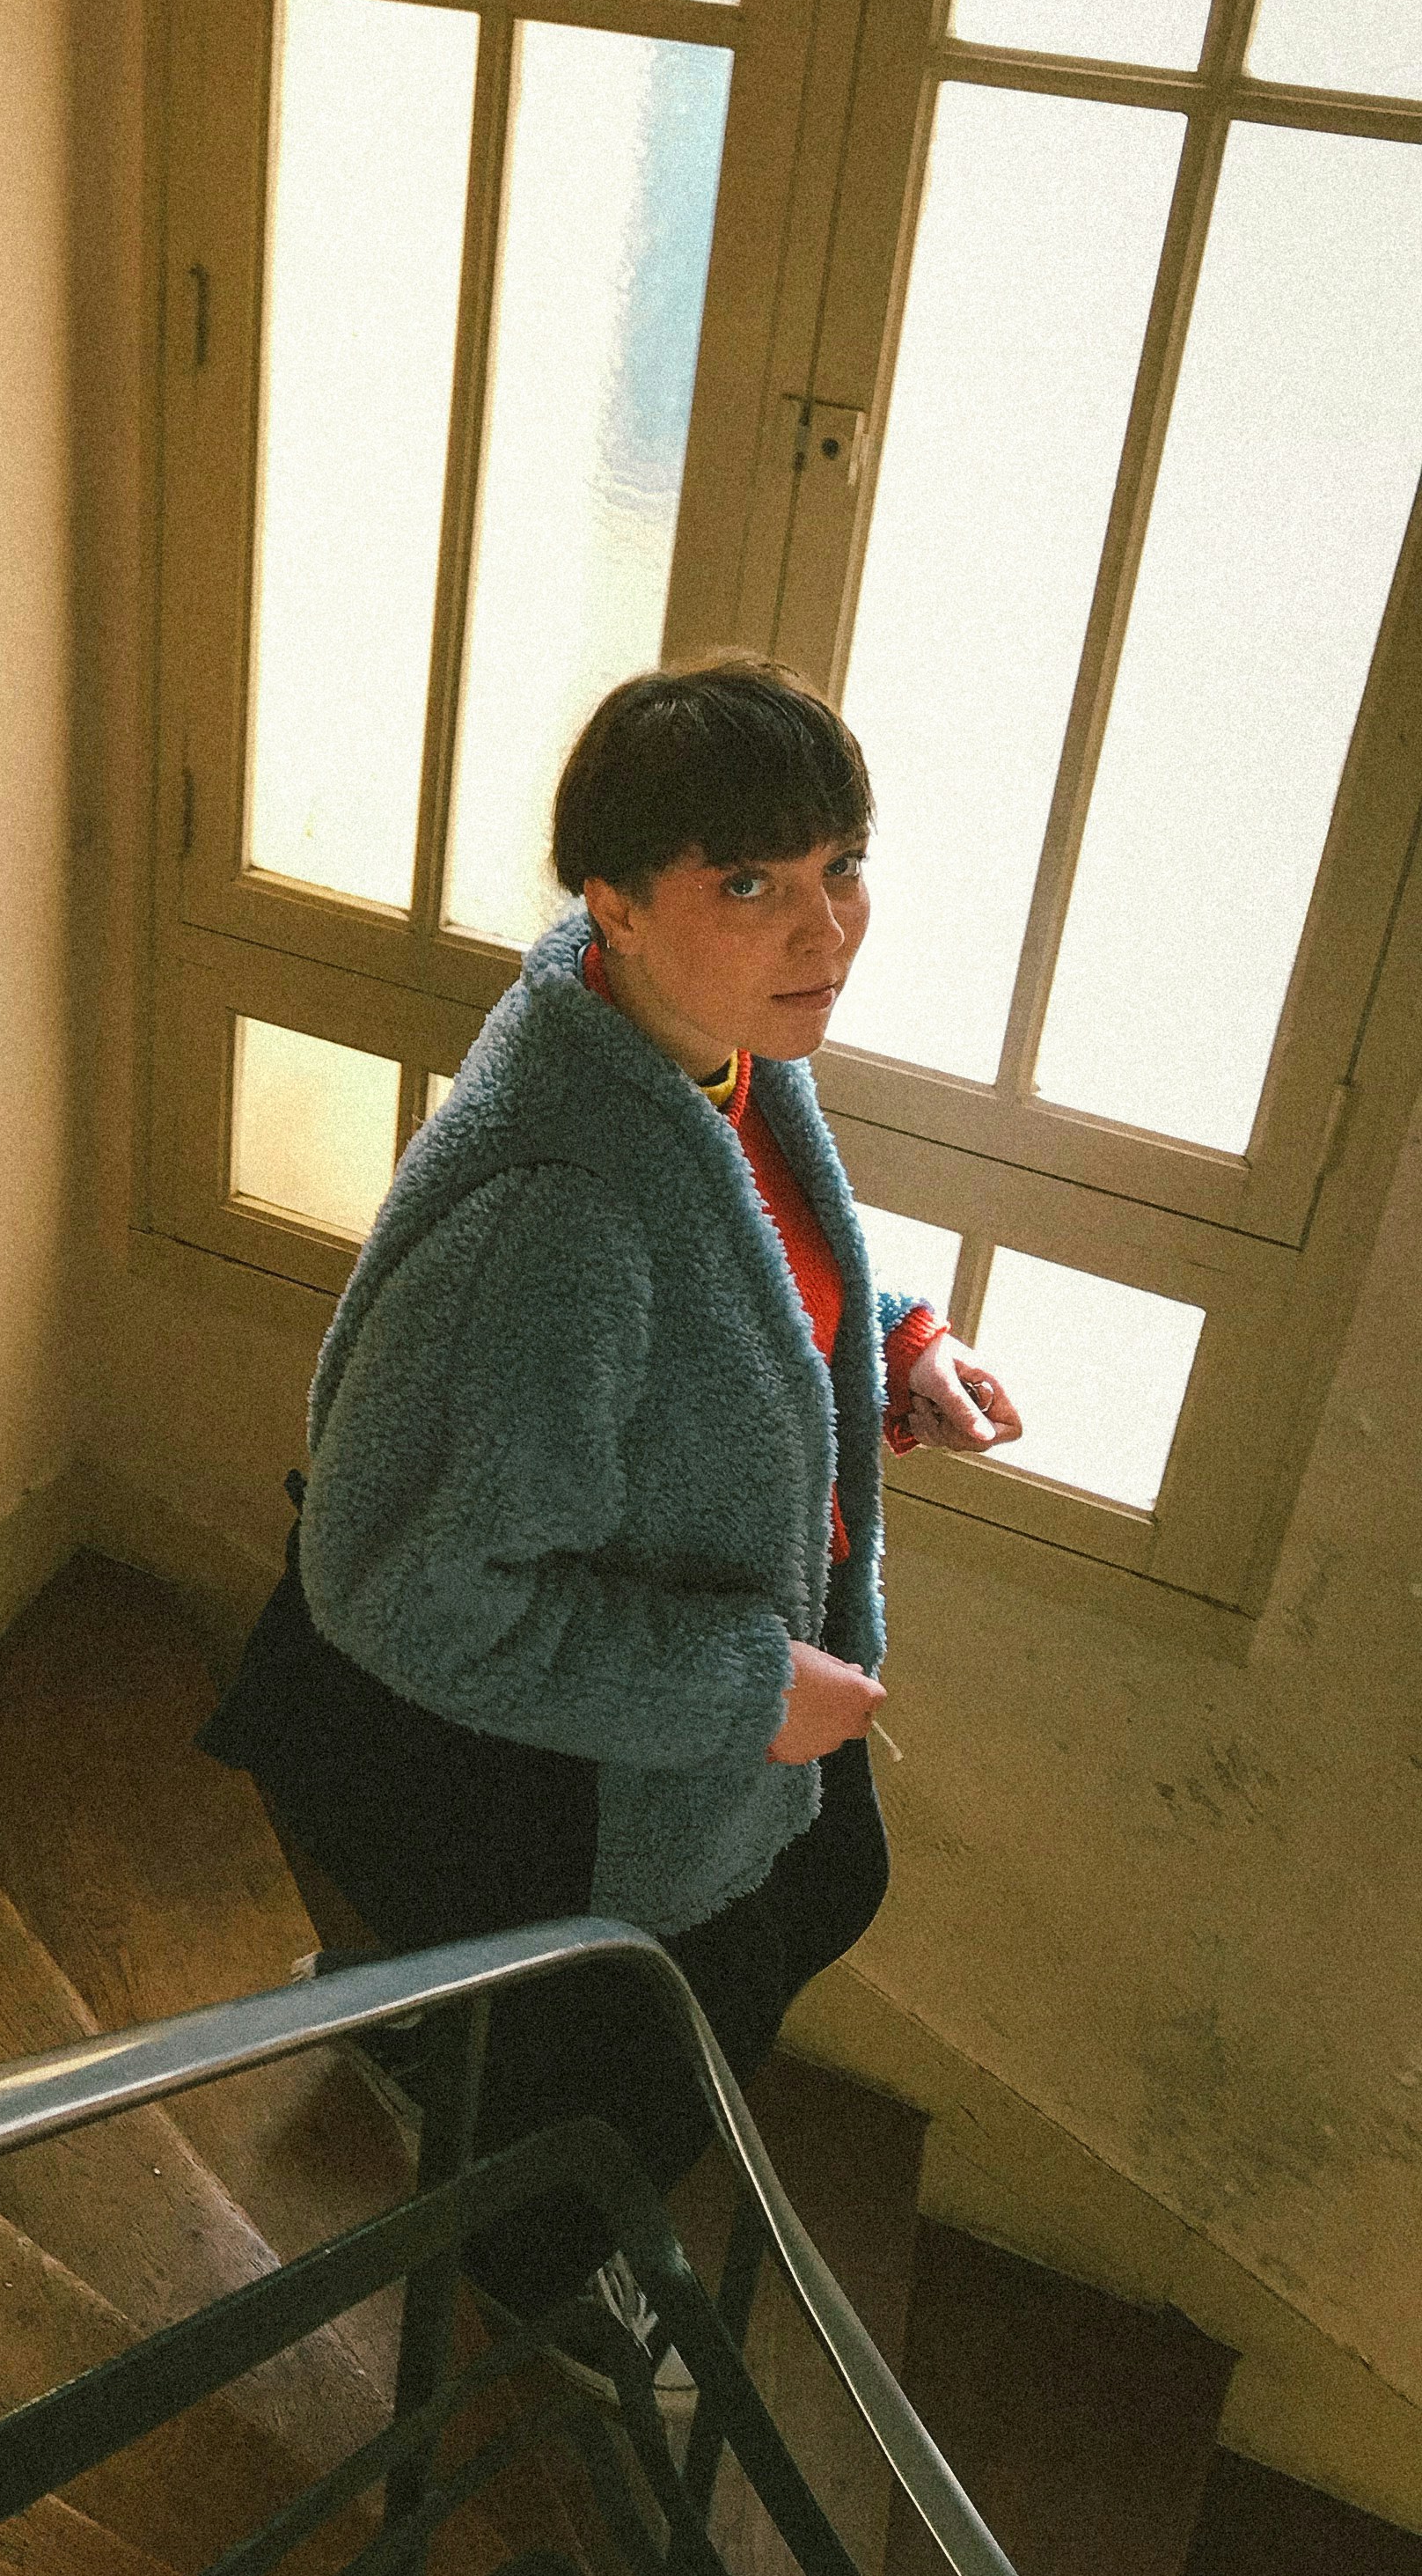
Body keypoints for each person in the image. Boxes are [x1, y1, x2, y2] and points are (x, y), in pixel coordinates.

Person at [198, 654, 1023, 2336]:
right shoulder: (558, 1213)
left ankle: (417, 2031)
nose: (827, 932)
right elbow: (412, 1592)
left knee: (807, 1895)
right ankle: (523, 2270)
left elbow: (756, 1291)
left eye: (838, 867)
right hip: (590, 1763)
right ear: (615, 905)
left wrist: (897, 1347)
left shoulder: (708, 1050)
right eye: (751, 884)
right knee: (633, 2075)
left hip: (704, 1713)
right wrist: (740, 1692)